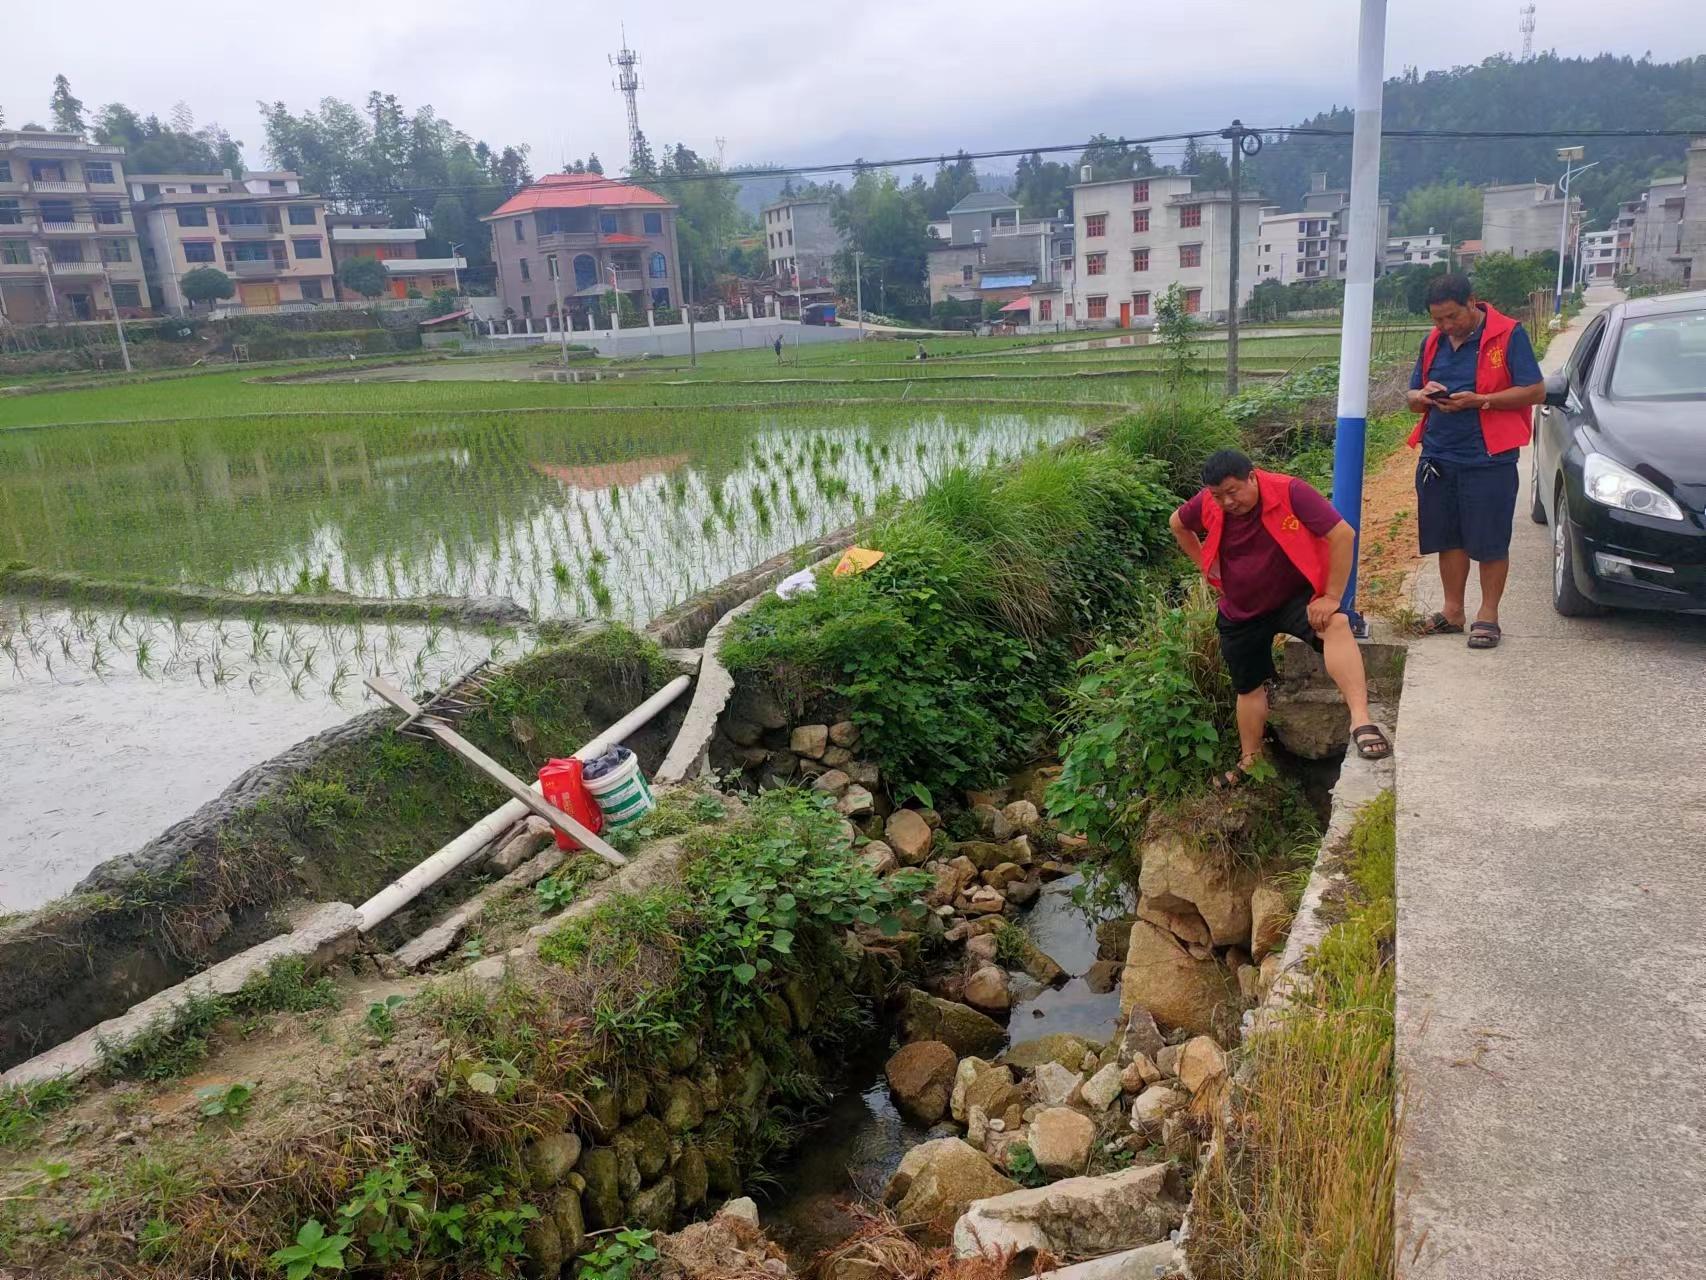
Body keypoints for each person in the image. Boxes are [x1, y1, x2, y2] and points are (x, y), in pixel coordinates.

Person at [1170, 450, 1391, 784]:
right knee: (1247, 687)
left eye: (1233, 491)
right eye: (1218, 496)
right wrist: (1206, 566)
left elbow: (1342, 534)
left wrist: (1331, 597)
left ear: (1252, 476)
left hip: (1294, 598)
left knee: (1337, 623)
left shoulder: (1290, 491)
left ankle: (1360, 720)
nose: (1227, 502)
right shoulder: (1207, 502)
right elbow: (1177, 524)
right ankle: (1250, 762)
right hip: (1241, 608)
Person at [1405, 273, 1546, 649]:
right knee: (1448, 536)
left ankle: (1488, 615)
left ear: (1472, 302)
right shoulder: (1433, 341)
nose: (1446, 326)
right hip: (1438, 453)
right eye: (1438, 319)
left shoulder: (1507, 334)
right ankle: (1452, 611)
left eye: (1452, 317)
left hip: (1488, 456)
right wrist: (1423, 396)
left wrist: (1482, 400)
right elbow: (1412, 393)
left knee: (1489, 539)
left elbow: (1535, 389)